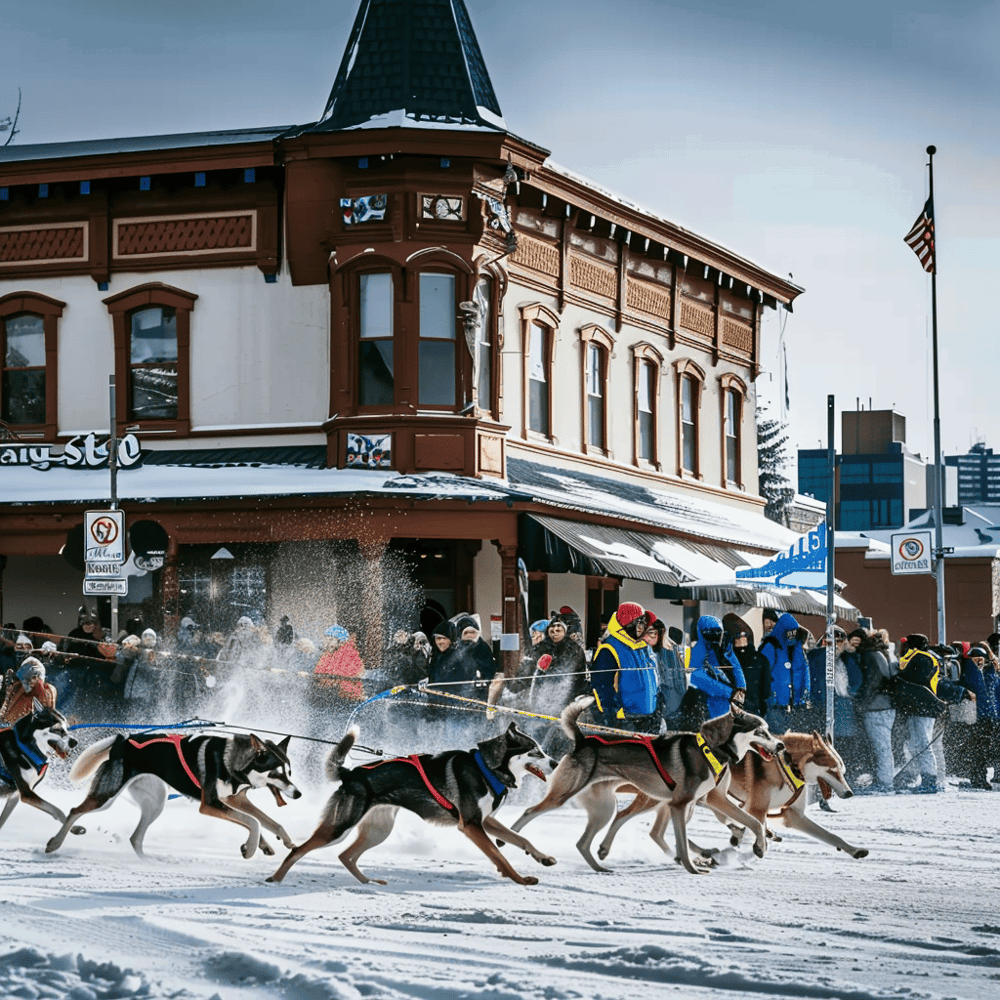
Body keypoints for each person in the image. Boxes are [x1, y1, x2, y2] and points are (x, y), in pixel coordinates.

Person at [894, 633, 972, 794]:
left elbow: (913, 679)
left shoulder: (921, 658)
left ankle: (929, 781)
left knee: (923, 744)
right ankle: (923, 778)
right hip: (922, 707)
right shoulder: (923, 657)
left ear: (912, 645)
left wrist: (895, 676)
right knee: (918, 744)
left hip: (922, 707)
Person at [590, 602, 659, 732]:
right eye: (639, 622)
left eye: (644, 623)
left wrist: (658, 706)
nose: (642, 627)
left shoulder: (642, 647)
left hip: (649, 715)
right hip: (625, 719)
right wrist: (612, 715)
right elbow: (601, 686)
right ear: (627, 623)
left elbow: (653, 678)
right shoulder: (609, 648)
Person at [855, 629, 897, 794]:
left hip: (875, 707)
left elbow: (872, 682)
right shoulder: (884, 653)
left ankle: (885, 783)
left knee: (881, 747)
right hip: (887, 706)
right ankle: (885, 780)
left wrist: (861, 703)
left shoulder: (870, 655)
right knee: (884, 746)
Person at [529, 612, 590, 717]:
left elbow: (575, 674)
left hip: (568, 695)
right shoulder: (540, 648)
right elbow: (531, 670)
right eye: (552, 630)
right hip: (541, 696)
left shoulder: (574, 649)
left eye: (558, 630)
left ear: (564, 631)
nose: (554, 633)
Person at [687, 615, 745, 722]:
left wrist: (741, 689)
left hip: (729, 701)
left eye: (718, 632)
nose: (715, 635)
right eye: (710, 632)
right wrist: (729, 692)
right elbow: (696, 676)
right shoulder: (698, 650)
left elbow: (736, 666)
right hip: (710, 703)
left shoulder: (724, 646)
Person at [760, 612, 811, 734]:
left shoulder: (798, 648)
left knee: (793, 742)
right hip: (775, 706)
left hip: (796, 705)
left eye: (794, 632)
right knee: (779, 740)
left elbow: (806, 673)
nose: (791, 635)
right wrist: (768, 698)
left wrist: (805, 697)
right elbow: (762, 675)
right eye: (789, 632)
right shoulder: (770, 647)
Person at [959, 645, 999, 789]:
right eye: (975, 659)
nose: (978, 662)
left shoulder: (985, 673)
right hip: (983, 717)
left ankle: (979, 779)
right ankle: (979, 778)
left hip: (985, 717)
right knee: (980, 749)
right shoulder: (982, 672)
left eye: (980, 659)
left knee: (980, 750)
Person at [723, 614, 771, 718]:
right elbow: (766, 691)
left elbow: (766, 690)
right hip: (753, 710)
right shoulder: (760, 659)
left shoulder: (726, 659)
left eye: (743, 636)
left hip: (735, 710)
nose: (741, 640)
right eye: (739, 637)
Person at [645, 618, 687, 726]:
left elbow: (677, 680)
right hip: (670, 703)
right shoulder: (662, 651)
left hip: (671, 703)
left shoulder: (667, 651)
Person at [313, 625, 365, 703]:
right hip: (333, 694)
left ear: (341, 642)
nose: (327, 642)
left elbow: (342, 676)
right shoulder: (327, 654)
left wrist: (319, 679)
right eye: (326, 639)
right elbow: (319, 672)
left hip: (349, 698)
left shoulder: (350, 654)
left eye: (331, 639)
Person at [1, 656, 58, 724]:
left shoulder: (49, 691)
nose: (24, 682)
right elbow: (6, 718)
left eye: (27, 678)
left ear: (36, 677)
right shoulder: (20, 689)